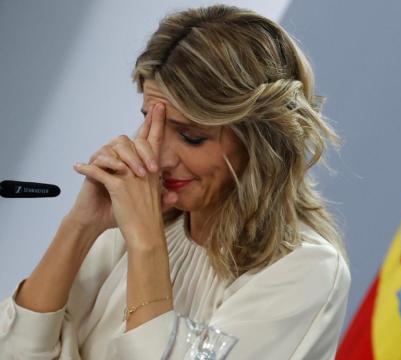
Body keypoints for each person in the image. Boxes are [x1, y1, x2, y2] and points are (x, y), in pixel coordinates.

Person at [0, 5, 350, 359]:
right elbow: (14, 351)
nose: (159, 159)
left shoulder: (307, 272)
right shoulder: (125, 229)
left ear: (260, 142)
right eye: (151, 123)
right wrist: (79, 226)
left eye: (191, 137)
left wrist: (146, 244)